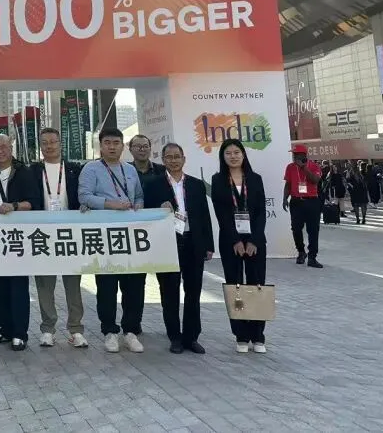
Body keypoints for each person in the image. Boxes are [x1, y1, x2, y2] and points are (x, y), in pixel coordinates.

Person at [78, 127, 146, 353]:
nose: (112, 147)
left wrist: (138, 204)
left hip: (130, 236)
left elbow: (138, 195)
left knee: (134, 285)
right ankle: (109, 331)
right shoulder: (91, 169)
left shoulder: (130, 169)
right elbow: (84, 196)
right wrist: (111, 205)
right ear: (101, 145)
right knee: (107, 286)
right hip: (104, 235)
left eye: (116, 143)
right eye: (107, 143)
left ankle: (131, 331)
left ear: (122, 146)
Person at [144, 143, 213, 354]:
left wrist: (208, 245)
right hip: (167, 243)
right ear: (163, 160)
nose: (173, 161)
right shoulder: (153, 185)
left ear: (184, 159)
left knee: (193, 292)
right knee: (169, 293)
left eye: (177, 157)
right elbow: (146, 214)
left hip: (193, 242)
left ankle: (191, 337)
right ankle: (174, 337)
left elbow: (204, 216)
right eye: (169, 157)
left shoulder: (196, 184)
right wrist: (158, 208)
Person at [31, 127, 87, 349]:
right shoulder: (33, 170)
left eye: (53, 142)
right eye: (44, 142)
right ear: (40, 146)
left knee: (73, 284)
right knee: (45, 285)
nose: (49, 146)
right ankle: (48, 329)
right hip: (43, 235)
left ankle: (76, 329)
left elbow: (83, 196)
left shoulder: (75, 169)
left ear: (60, 143)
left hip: (69, 235)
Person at [211, 138, 268, 353]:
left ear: (243, 154)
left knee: (256, 286)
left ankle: (258, 335)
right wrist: (235, 240)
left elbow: (260, 212)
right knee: (235, 286)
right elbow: (222, 214)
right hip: (230, 241)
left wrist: (254, 240)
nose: (233, 156)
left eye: (236, 152)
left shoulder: (255, 179)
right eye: (228, 153)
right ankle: (241, 335)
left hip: (255, 241)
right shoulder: (217, 180)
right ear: (223, 157)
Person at [0, 134, 41, 352]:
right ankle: (5, 330)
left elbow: (34, 202)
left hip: (17, 239)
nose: (0, 151)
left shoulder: (23, 172)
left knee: (18, 287)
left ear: (11, 148)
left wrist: (14, 206)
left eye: (4, 147)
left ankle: (20, 334)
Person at [283, 144, 323, 268]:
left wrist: (304, 167)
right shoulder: (290, 167)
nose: (294, 156)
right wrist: (285, 198)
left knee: (313, 230)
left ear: (303, 155)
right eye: (293, 154)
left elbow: (315, 180)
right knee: (296, 228)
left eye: (296, 154)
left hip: (311, 201)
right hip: (296, 202)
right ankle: (301, 252)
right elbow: (288, 184)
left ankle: (312, 257)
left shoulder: (314, 166)